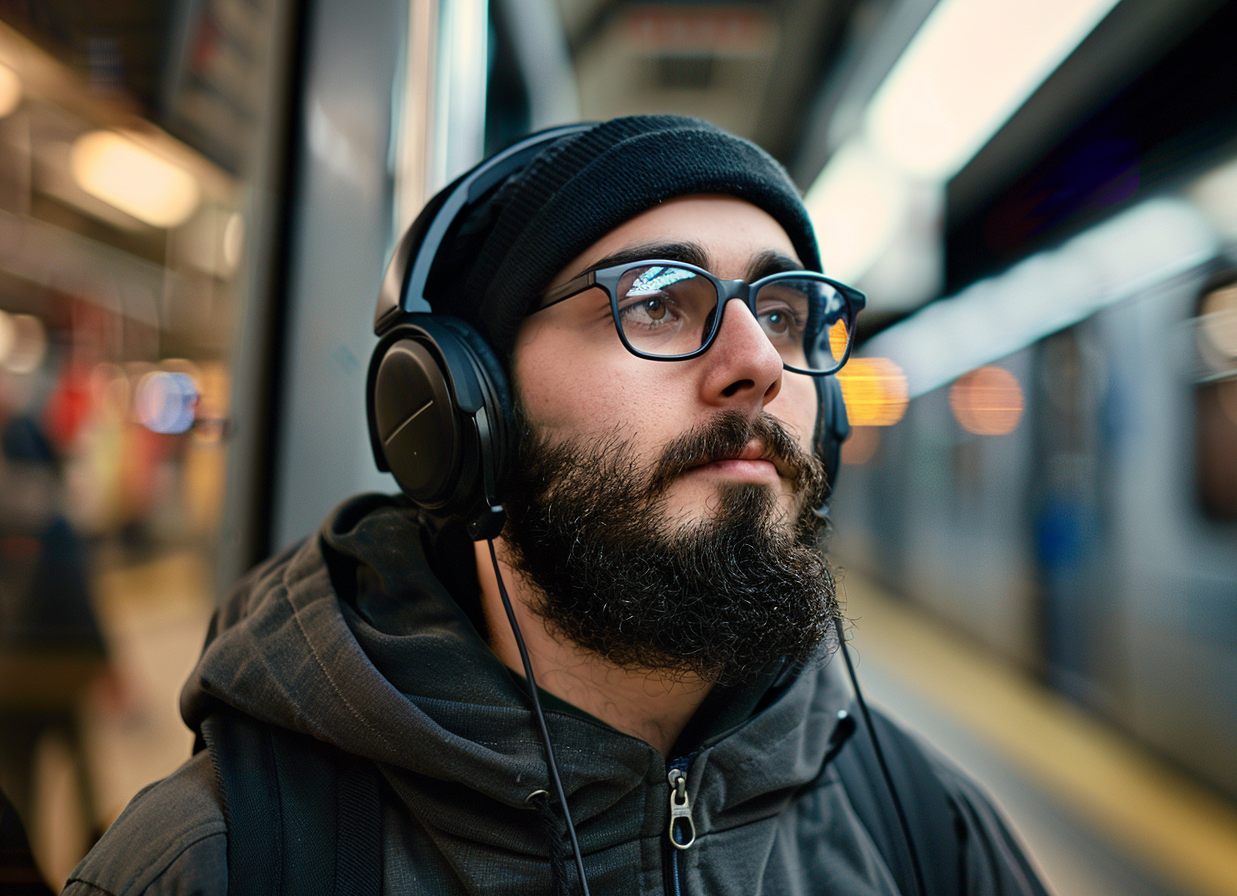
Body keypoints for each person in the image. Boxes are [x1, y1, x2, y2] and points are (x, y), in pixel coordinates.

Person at [63, 116, 1049, 896]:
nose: (756, 362)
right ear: (463, 410)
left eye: (784, 313)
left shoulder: (921, 827)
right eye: (659, 297)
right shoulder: (215, 862)